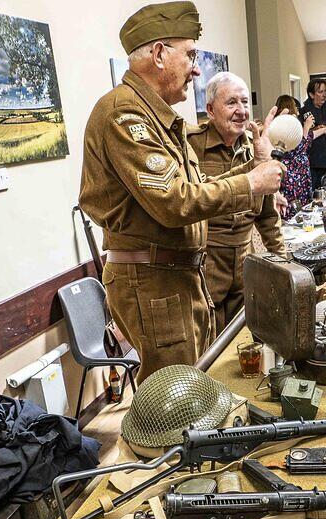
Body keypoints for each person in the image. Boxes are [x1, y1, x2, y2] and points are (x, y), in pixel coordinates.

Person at [79, 1, 283, 383]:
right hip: (153, 281)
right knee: (174, 397)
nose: (196, 67)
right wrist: (252, 183)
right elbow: (175, 201)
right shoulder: (125, 116)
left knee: (196, 385)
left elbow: (192, 187)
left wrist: (252, 167)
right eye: (190, 55)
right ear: (159, 54)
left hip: (176, 276)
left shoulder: (156, 116)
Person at [188, 72, 287, 334]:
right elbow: (191, 197)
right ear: (210, 109)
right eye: (232, 103)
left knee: (245, 339)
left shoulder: (255, 146)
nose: (241, 111)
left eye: (245, 102)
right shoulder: (190, 146)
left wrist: (284, 261)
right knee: (208, 340)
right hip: (206, 263)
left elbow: (267, 216)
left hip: (246, 263)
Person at [275, 94, 326, 220]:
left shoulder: (291, 125)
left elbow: (308, 137)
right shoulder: (283, 127)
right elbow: (300, 146)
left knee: (303, 210)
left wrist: (324, 130)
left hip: (300, 176)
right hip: (293, 178)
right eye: (296, 108)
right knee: (294, 212)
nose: (298, 111)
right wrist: (307, 126)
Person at [299, 79, 326, 191]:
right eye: (320, 92)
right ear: (311, 94)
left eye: (325, 91)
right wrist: (316, 129)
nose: (324, 95)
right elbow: (301, 137)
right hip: (309, 162)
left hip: (324, 159)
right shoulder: (304, 112)